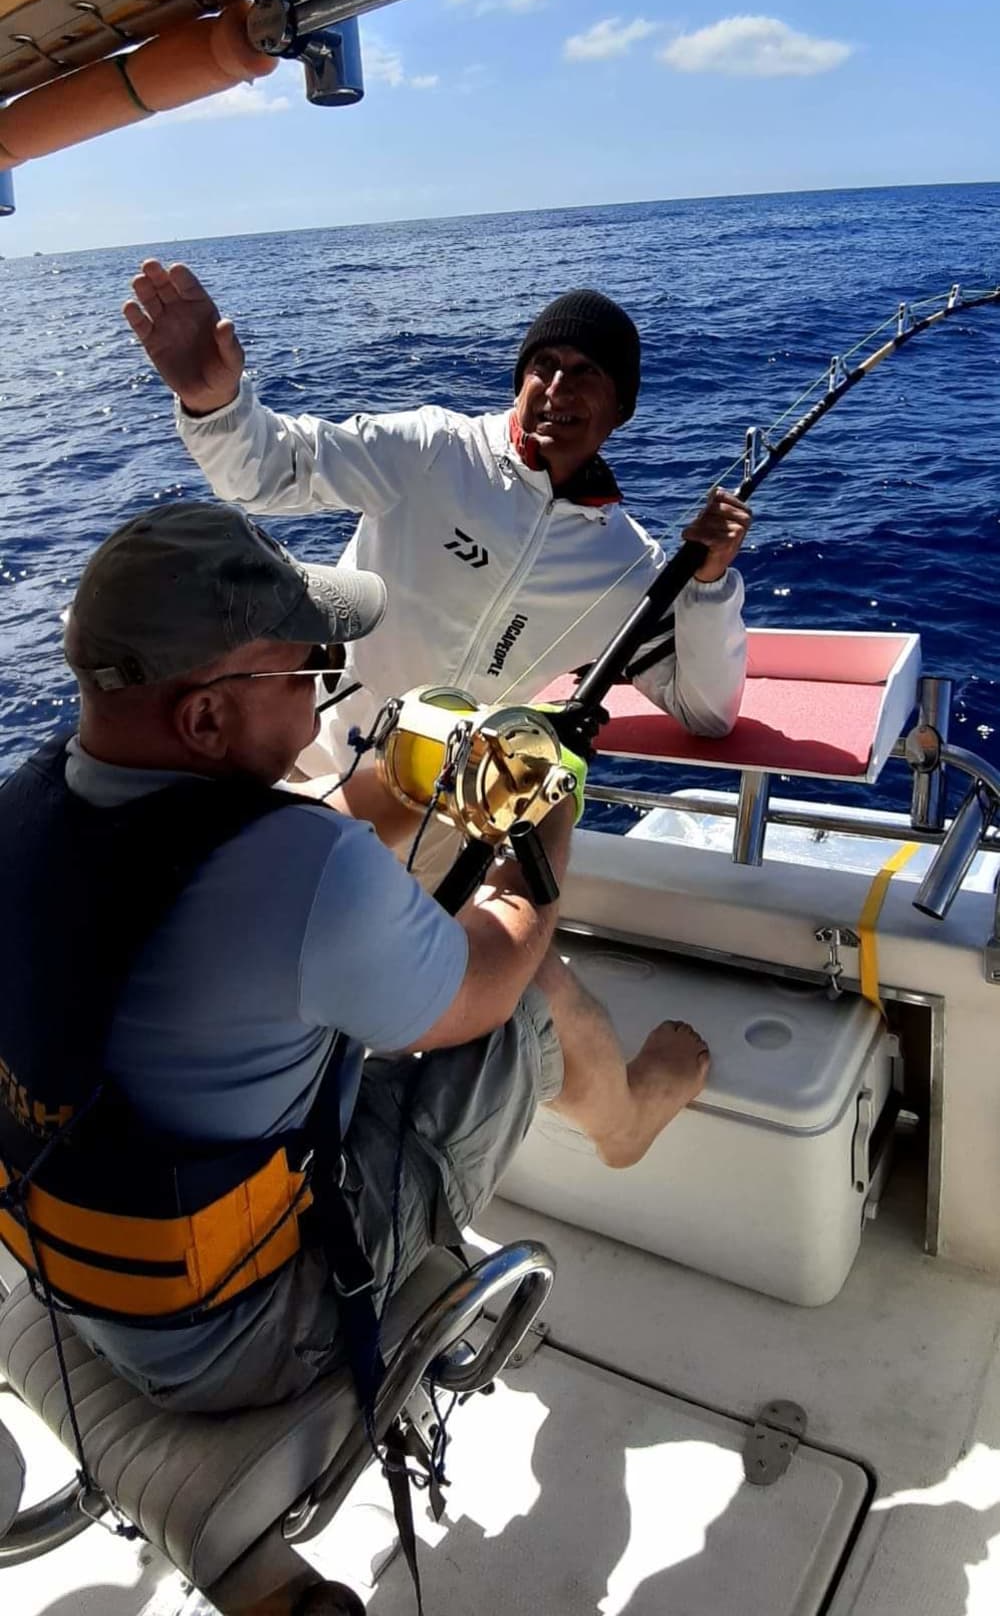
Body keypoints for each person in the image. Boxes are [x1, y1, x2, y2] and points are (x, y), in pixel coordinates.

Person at [0, 501, 709, 1412]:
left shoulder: (32, 802)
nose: (327, 694)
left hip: (78, 1278)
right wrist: (546, 809)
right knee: (532, 1003)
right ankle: (629, 1121)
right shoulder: (305, 879)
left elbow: (236, 850)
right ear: (207, 718)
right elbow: (487, 981)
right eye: (312, 667)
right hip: (248, 1335)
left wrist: (421, 780)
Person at [123, 263, 751, 872]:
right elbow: (272, 471)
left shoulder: (625, 564)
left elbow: (706, 712)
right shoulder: (434, 449)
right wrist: (217, 405)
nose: (558, 387)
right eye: (543, 366)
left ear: (621, 408)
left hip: (439, 827)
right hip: (297, 770)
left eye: (586, 372)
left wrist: (709, 584)